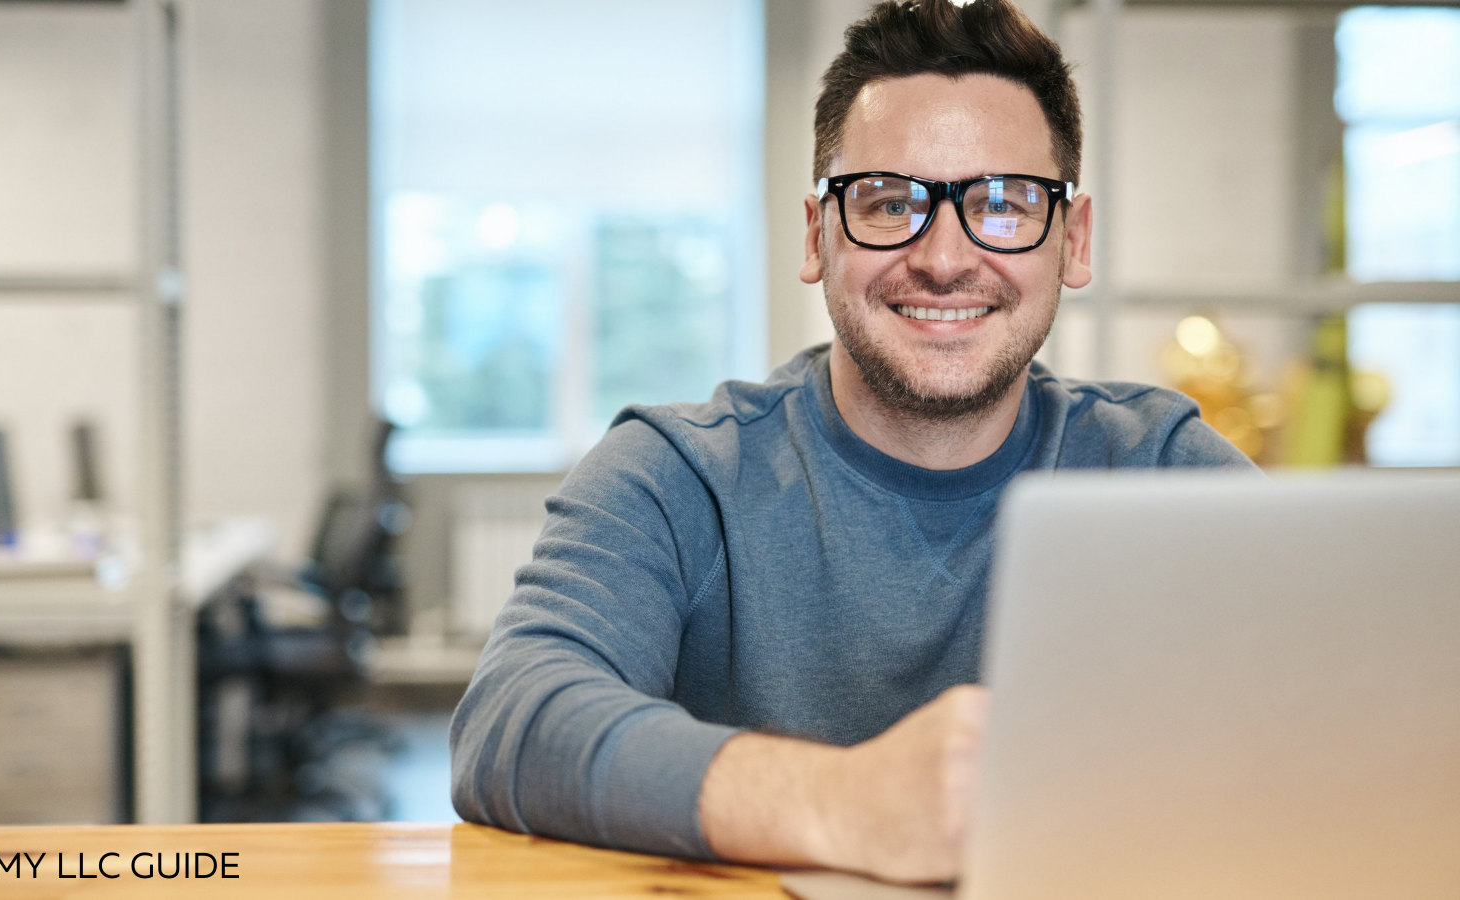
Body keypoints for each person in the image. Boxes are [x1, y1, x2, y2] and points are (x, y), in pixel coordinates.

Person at [449, 0, 1256, 885]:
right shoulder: (679, 474)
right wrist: (842, 801)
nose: (945, 258)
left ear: (1075, 239)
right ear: (815, 233)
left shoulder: (1163, 471)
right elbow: (514, 722)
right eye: (887, 202)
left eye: (1002, 203)